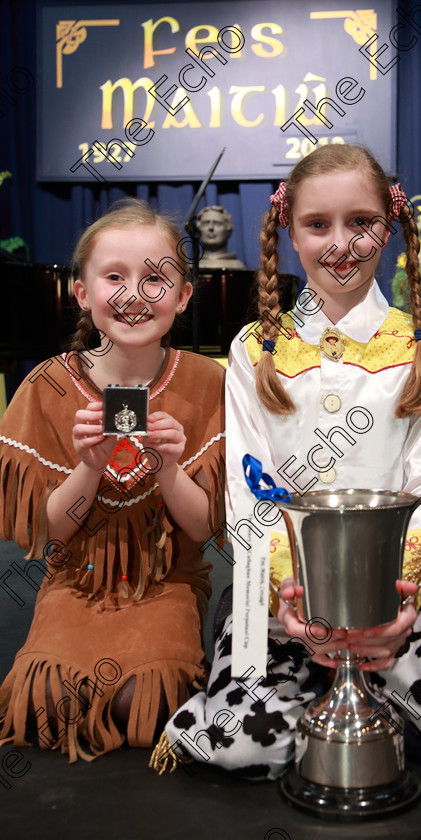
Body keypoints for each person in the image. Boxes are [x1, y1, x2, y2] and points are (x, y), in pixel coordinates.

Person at [157, 145, 421, 786]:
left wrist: (391, 606)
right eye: (319, 225)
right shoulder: (254, 348)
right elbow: (248, 489)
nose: (340, 244)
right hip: (278, 606)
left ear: (391, 226)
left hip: (389, 606)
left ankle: (408, 682)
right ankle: (344, 698)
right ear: (289, 230)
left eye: (361, 222)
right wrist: (295, 604)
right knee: (238, 747)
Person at [0, 199, 225, 762]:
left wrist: (170, 466)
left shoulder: (206, 382)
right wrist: (88, 467)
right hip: (77, 582)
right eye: (114, 277)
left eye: (155, 279)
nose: (133, 296)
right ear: (83, 292)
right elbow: (50, 533)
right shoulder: (47, 385)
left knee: (144, 703)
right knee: (49, 702)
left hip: (164, 582)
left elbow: (202, 526)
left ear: (183, 295)